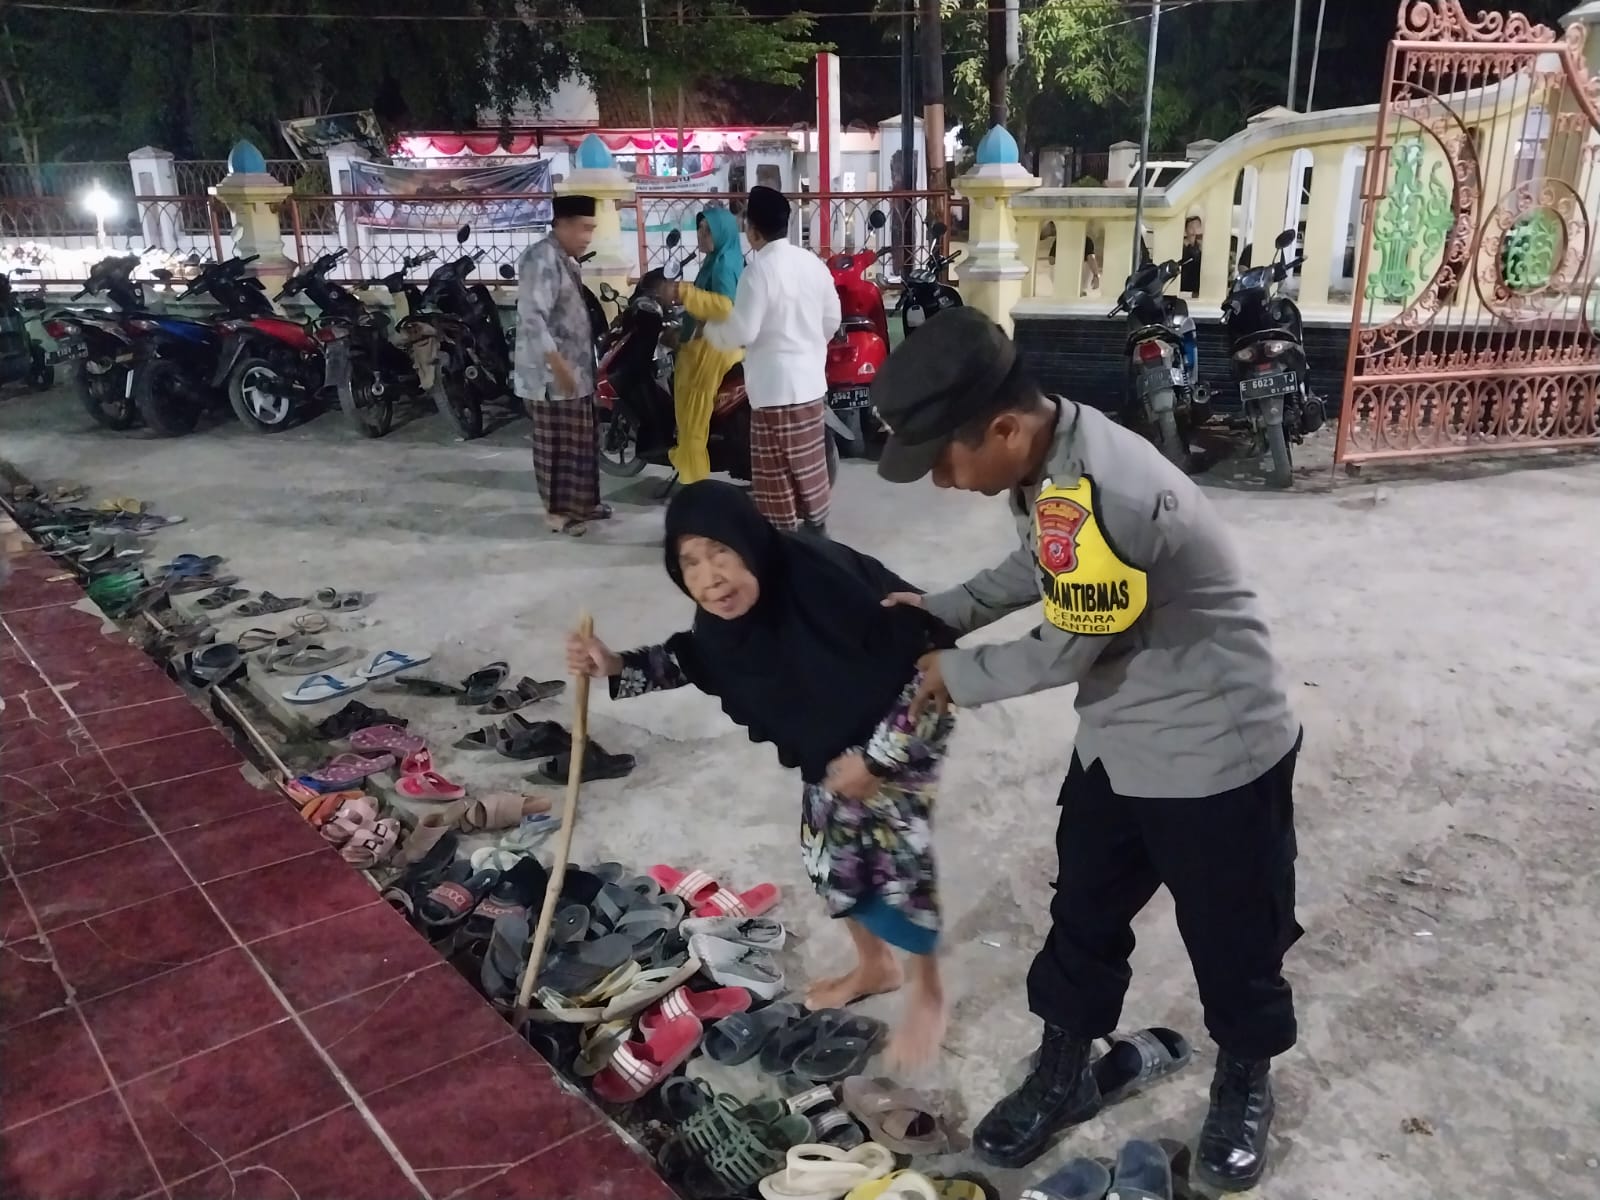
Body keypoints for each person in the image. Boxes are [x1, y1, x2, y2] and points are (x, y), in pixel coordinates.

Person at [869, 306, 1303, 1192]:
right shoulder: (1052, 454)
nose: (942, 481)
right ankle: (1064, 1069)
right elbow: (1045, 561)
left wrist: (955, 670)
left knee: (1234, 937)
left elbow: (1065, 648)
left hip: (1214, 751)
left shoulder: (1109, 487)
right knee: (1084, 914)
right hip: (1119, 737)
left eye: (944, 459)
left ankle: (1244, 1078)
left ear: (1003, 427)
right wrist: (947, 609)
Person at [565, 480, 957, 1067]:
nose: (710, 578)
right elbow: (695, 658)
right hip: (834, 736)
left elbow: (932, 665)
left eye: (721, 552)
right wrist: (614, 664)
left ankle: (928, 990)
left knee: (898, 859)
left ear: (750, 542)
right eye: (690, 562)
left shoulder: (825, 583)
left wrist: (879, 761)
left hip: (908, 713)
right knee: (828, 855)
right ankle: (877, 965)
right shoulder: (722, 620)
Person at [672, 185, 840, 536]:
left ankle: (785, 541)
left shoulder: (759, 271)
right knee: (808, 466)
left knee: (776, 476)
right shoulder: (812, 264)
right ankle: (817, 531)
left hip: (773, 391)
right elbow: (831, 320)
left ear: (752, 230)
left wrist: (710, 333)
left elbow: (743, 330)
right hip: (810, 386)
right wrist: (808, 349)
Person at [514, 193, 608, 538]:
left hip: (575, 372)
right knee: (556, 448)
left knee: (580, 443)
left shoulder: (566, 259)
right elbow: (531, 317)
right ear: (563, 225)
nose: (588, 237)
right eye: (584, 228)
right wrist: (558, 364)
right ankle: (557, 514)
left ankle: (584, 505)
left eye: (592, 229)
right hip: (551, 376)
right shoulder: (541, 258)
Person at [668, 209, 744, 484]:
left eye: (708, 230)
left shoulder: (723, 263)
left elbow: (724, 306)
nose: (701, 235)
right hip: (717, 343)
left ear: (722, 232)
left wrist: (683, 292)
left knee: (693, 420)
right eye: (699, 229)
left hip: (713, 350)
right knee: (690, 416)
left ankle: (695, 481)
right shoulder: (720, 258)